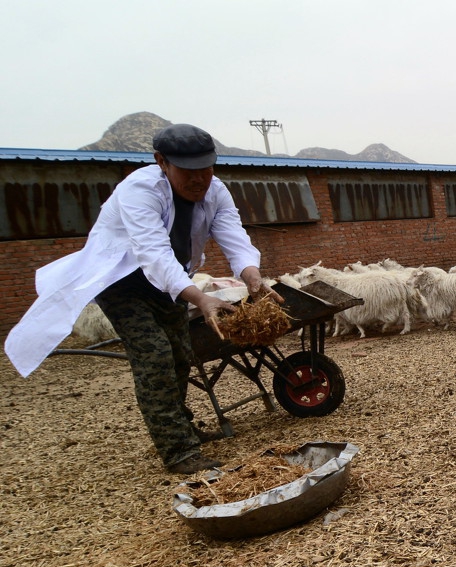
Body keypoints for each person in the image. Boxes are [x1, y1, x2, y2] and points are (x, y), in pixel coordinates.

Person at [4, 124, 279, 475]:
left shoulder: (216, 191)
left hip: (170, 281)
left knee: (181, 355)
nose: (200, 180)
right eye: (189, 172)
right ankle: (178, 450)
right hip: (124, 282)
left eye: (207, 170)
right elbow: (153, 253)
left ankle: (182, 426)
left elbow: (234, 237)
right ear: (161, 162)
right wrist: (198, 297)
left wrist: (254, 279)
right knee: (155, 356)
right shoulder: (139, 190)